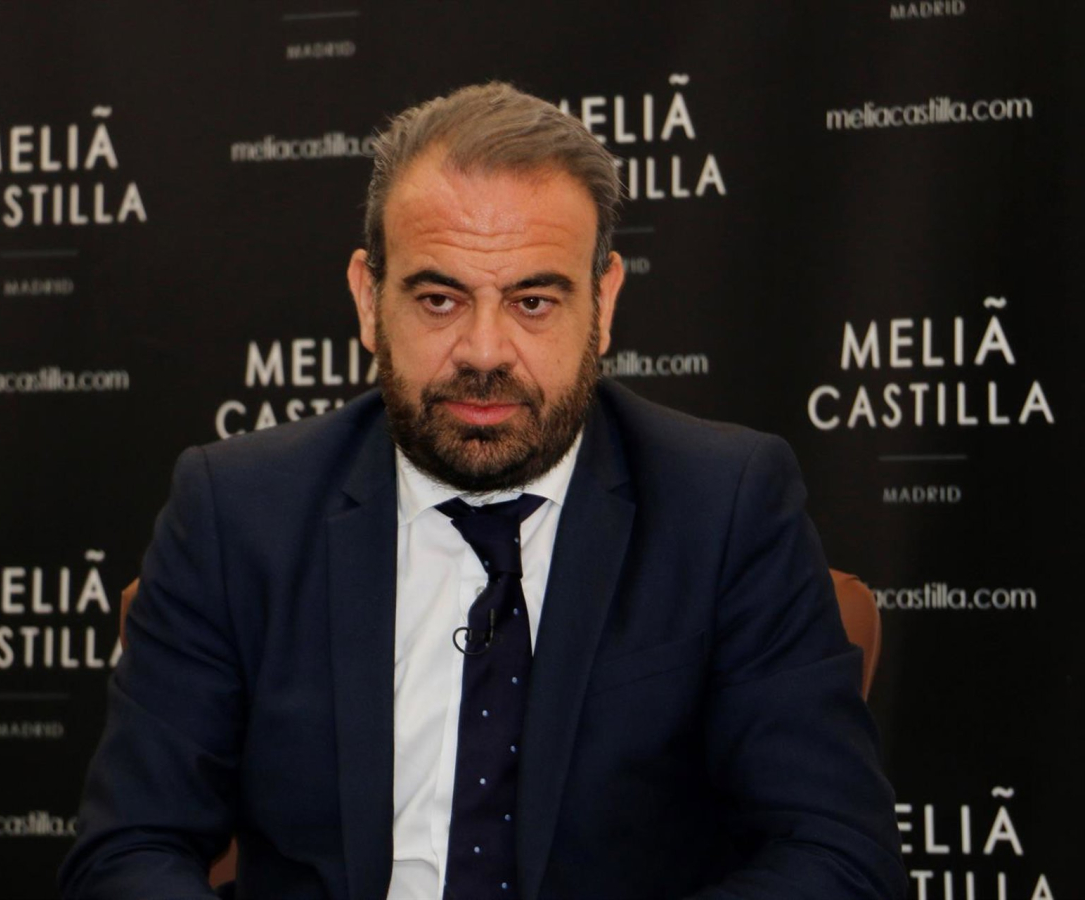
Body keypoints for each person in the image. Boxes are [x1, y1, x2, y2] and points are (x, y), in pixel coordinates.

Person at [60, 82, 905, 900]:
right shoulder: (237, 512)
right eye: (439, 299)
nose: (485, 352)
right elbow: (129, 850)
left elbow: (837, 857)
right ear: (368, 298)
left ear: (604, 300)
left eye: (534, 301)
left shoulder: (725, 508)